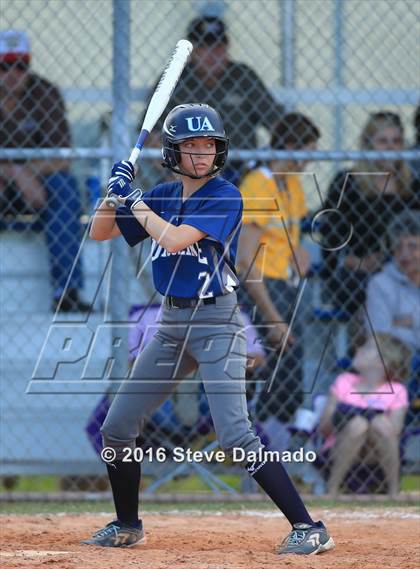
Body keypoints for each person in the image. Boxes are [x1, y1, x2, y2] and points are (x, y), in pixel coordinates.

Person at [82, 103, 334, 555]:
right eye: (191, 146)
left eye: (209, 146)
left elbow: (175, 239)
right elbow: (100, 232)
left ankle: (308, 527)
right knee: (117, 427)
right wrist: (112, 193)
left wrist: (134, 200)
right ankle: (127, 524)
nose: (201, 154)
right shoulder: (160, 195)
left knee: (235, 435)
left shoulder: (225, 195)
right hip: (171, 323)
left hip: (216, 321)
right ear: (172, 152)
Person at [237, 113, 321, 450]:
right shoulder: (258, 185)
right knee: (272, 372)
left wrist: (299, 251)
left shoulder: (291, 185)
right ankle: (260, 448)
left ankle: (281, 448)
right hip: (261, 290)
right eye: (306, 152)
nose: (309, 161)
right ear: (289, 147)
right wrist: (272, 319)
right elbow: (245, 261)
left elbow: (289, 234)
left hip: (285, 285)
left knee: (289, 373)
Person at [0, 29, 88, 312]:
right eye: (4, 66)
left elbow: (63, 156)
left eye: (20, 66)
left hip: (37, 187)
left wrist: (27, 173)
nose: (12, 74)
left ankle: (67, 292)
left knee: (64, 187)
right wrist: (14, 172)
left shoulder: (44, 92)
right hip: (9, 182)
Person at [139, 16, 284, 186]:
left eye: (218, 47)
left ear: (226, 48)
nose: (212, 54)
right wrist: (175, 169)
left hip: (240, 169)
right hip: (187, 170)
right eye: (204, 47)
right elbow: (151, 133)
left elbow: (277, 124)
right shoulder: (175, 78)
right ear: (192, 51)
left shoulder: (243, 76)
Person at [319, 111, 419, 320]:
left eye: (396, 141)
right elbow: (331, 240)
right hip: (359, 272)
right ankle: (376, 333)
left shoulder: (412, 186)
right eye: (383, 141)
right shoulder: (347, 183)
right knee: (373, 290)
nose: (391, 148)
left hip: (406, 267)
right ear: (368, 145)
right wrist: (359, 263)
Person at [319, 333, 411, 497]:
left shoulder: (397, 390)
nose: (358, 349)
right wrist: (343, 416)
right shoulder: (344, 381)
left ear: (384, 362)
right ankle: (332, 489)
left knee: (380, 423)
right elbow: (324, 428)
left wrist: (372, 417)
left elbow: (395, 431)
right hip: (340, 447)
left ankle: (393, 491)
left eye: (367, 348)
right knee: (358, 425)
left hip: (376, 454)